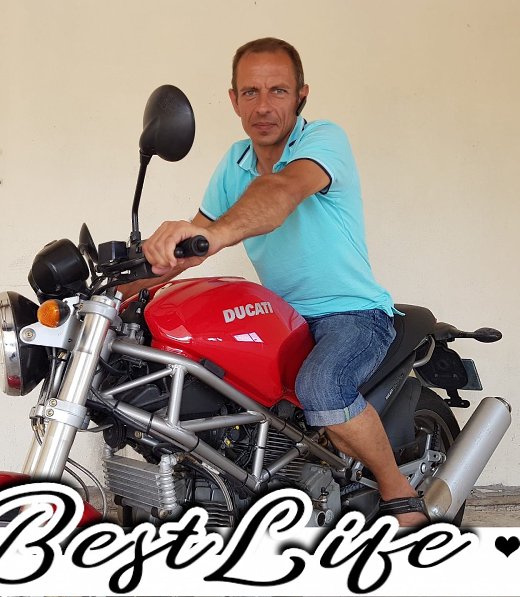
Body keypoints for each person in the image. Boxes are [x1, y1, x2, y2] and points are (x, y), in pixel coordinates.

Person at [140, 37, 427, 526]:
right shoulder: (234, 162)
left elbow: (281, 192)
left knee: (322, 387)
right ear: (233, 100)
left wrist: (214, 235)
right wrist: (111, 294)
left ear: (301, 96)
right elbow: (187, 250)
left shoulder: (323, 141)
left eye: (278, 90)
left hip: (352, 314)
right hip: (282, 319)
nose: (263, 106)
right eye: (250, 92)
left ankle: (400, 495)